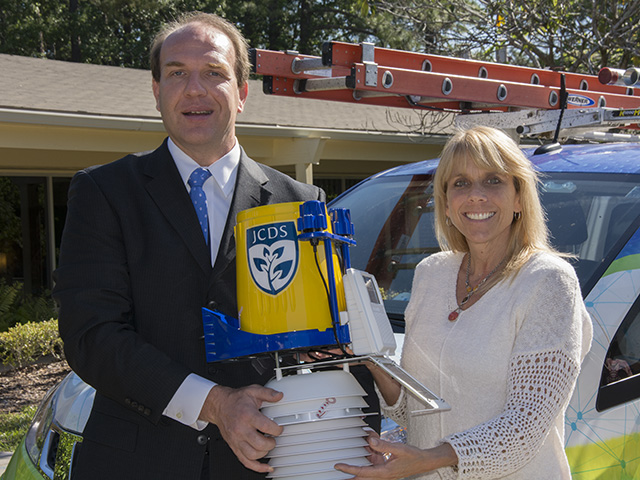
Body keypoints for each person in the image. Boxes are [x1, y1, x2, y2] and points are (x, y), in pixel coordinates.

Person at [53, 11, 341, 480]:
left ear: (242, 93)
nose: (194, 89)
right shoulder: (104, 193)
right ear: (156, 91)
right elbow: (93, 336)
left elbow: (321, 339)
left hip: (264, 463)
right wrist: (215, 403)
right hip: (134, 462)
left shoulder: (302, 203)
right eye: (176, 74)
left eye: (213, 73)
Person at [336, 126, 593, 479]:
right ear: (445, 201)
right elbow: (418, 408)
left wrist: (428, 459)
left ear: (519, 196)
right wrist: (368, 360)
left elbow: (525, 426)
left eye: (492, 181)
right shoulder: (432, 274)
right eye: (460, 183)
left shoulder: (548, 281)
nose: (475, 196)